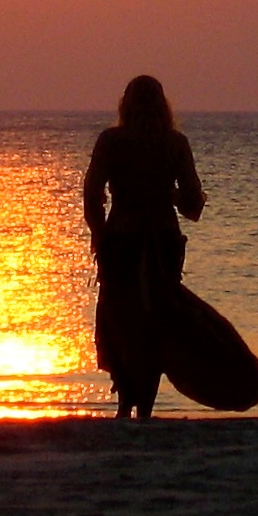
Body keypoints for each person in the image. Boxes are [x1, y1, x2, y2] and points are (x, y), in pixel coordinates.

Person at [83, 75, 206, 419]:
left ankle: (125, 404)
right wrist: (173, 195)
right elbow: (193, 207)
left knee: (119, 320)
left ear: (125, 105)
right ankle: (146, 409)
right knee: (156, 323)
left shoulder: (111, 141)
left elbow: (92, 192)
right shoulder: (175, 144)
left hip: (121, 240)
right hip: (163, 242)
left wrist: (99, 231)